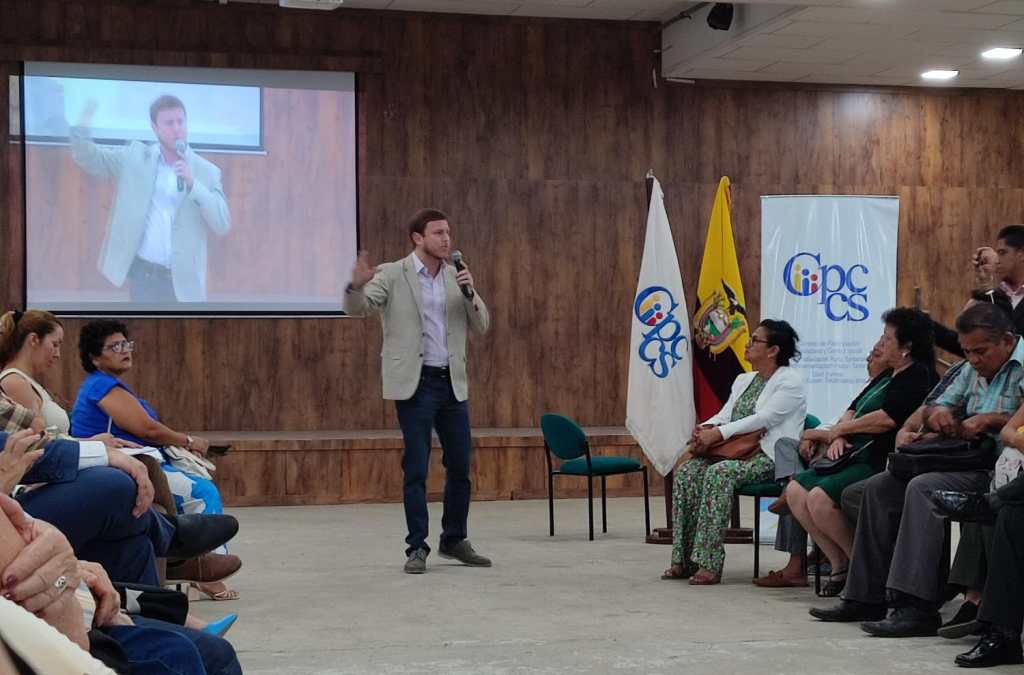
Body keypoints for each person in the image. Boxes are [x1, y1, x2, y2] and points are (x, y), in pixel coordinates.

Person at [810, 302, 1020, 637]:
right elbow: (936, 404)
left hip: (1001, 470)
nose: (974, 360)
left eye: (980, 351)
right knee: (880, 488)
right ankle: (866, 595)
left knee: (923, 488)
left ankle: (916, 606)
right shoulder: (969, 369)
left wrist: (992, 420)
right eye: (967, 351)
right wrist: (938, 415)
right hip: (962, 459)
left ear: (1007, 341)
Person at [344, 208, 491, 574]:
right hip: (417, 384)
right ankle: (417, 546)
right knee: (416, 467)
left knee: (460, 465)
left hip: (452, 383)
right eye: (438, 233)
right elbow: (359, 309)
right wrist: (355, 286)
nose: (446, 239)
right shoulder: (394, 274)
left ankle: (454, 539)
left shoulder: (456, 276)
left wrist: (469, 292)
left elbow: (482, 324)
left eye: (448, 232)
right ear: (418, 238)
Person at [70, 320, 240, 600]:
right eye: (115, 347)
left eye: (126, 344)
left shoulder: (109, 385)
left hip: (139, 463)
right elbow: (147, 429)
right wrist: (188, 441)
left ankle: (191, 564)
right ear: (95, 357)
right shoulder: (101, 385)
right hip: (122, 467)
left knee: (195, 487)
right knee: (201, 492)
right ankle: (205, 571)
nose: (125, 350)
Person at [777, 308, 937, 595]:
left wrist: (839, 431)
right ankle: (839, 563)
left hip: (878, 460)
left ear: (906, 347)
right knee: (795, 491)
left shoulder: (918, 375)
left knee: (819, 498)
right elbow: (852, 409)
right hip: (852, 454)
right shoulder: (887, 375)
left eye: (887, 338)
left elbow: (887, 419)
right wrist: (840, 433)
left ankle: (863, 569)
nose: (881, 343)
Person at [0, 491, 242, 674]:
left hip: (69, 613)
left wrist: (72, 564)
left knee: (136, 545)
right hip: (55, 630)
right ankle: (176, 545)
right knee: (120, 487)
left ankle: (178, 555)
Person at [662, 319, 806, 585]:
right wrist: (705, 428)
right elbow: (725, 415)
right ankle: (683, 559)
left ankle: (709, 563)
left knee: (719, 474)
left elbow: (764, 418)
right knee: (688, 472)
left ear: (773, 350)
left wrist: (719, 434)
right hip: (736, 451)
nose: (747, 344)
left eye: (755, 340)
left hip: (768, 457)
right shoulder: (744, 379)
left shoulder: (790, 382)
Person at [70, 95, 231, 303]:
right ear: (155, 127)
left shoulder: (206, 171)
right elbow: (91, 158)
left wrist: (194, 185)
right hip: (144, 277)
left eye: (180, 121)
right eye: (169, 123)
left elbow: (222, 223)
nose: (177, 128)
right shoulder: (135, 158)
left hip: (184, 284)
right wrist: (83, 123)